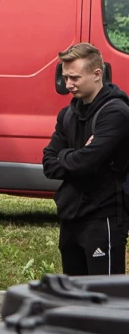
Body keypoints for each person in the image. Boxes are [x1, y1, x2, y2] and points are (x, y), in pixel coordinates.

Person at [43, 43, 129, 275]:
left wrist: (67, 156)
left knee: (105, 301)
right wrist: (74, 156)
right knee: (74, 298)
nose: (68, 84)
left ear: (97, 74)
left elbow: (86, 162)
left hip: (104, 217)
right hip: (71, 217)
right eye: (65, 77)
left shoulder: (116, 112)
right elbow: (48, 164)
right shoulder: (67, 115)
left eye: (74, 78)